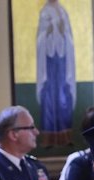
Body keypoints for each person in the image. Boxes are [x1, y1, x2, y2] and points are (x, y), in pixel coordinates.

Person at [35, 0, 75, 145]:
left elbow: (69, 36)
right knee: (50, 99)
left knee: (64, 98)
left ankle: (65, 137)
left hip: (63, 61)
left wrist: (64, 33)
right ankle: (49, 139)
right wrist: (49, 33)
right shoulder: (44, 11)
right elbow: (40, 37)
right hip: (49, 63)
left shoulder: (63, 11)